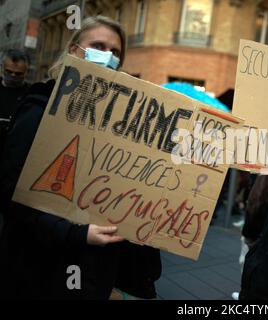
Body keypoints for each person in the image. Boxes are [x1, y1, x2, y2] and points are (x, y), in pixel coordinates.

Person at [0, 16, 161, 300]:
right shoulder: (39, 110)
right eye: (98, 46)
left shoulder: (119, 124)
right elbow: (9, 196)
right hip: (37, 271)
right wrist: (77, 234)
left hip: (93, 275)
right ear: (74, 51)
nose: (108, 57)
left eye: (115, 52)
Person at [0, 49, 30, 153]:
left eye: (18, 74)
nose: (13, 76)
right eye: (8, 72)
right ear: (1, 67)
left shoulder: (31, 95)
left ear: (26, 72)